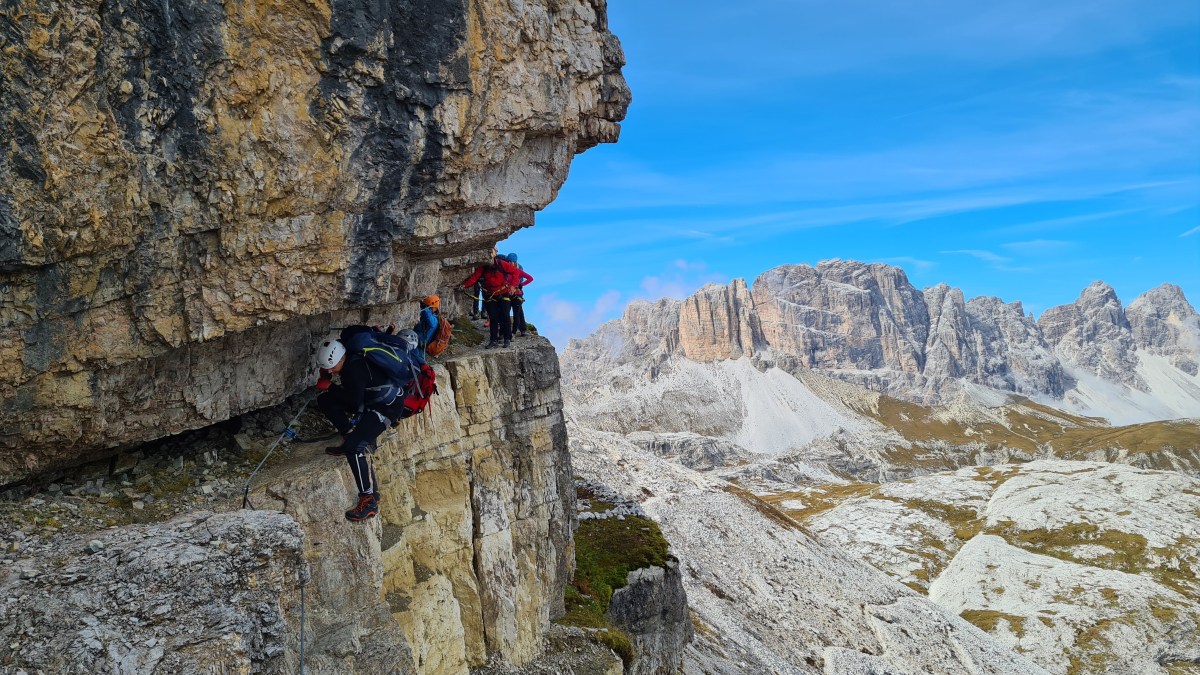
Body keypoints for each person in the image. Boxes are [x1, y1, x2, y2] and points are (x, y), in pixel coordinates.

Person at [315, 326, 421, 522]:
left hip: (386, 408)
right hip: (376, 400)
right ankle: (349, 435)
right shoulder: (352, 358)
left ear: (341, 359)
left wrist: (330, 386)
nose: (329, 371)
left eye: (331, 367)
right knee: (325, 401)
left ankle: (368, 501)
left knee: (354, 448)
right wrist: (331, 386)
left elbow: (356, 404)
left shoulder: (354, 370)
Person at [461, 250, 520, 348]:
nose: (489, 262)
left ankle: (507, 338)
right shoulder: (483, 267)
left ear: (493, 258)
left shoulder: (502, 264)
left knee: (505, 316)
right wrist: (465, 285)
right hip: (490, 295)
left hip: (503, 293)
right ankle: (493, 340)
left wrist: (513, 286)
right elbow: (475, 277)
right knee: (493, 318)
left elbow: (516, 272)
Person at [504, 253, 534, 337]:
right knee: (508, 311)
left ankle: (519, 330)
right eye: (508, 261)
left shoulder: (519, 268)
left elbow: (528, 278)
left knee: (518, 312)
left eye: (511, 261)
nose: (509, 263)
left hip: (517, 292)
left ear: (515, 261)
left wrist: (520, 285)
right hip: (508, 292)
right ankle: (513, 330)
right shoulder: (506, 269)